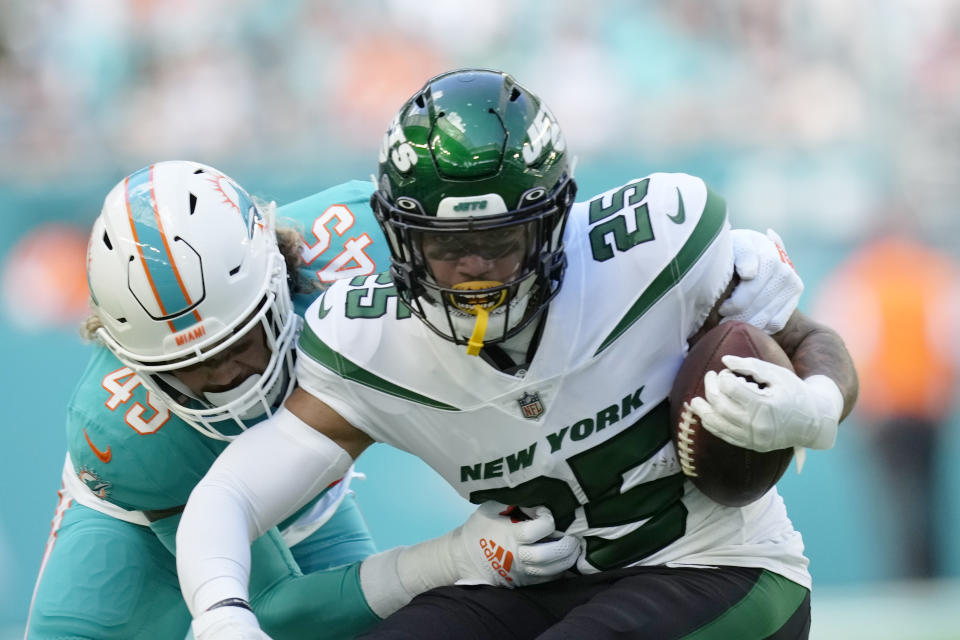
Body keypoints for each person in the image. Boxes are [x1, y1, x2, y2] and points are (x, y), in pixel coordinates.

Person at [176, 69, 858, 639]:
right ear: (401, 239)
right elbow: (230, 495)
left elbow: (810, 341)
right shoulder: (369, 345)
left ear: (554, 222)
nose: (476, 271)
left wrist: (814, 406)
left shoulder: (654, 248)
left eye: (500, 241)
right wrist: (219, 611)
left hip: (715, 567)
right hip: (546, 586)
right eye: (446, 248)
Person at [25, 160, 585, 640]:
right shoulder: (124, 432)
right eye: (190, 366)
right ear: (133, 358)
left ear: (278, 282)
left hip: (300, 492)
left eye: (239, 342)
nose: (227, 379)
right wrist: (455, 557)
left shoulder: (361, 242)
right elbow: (271, 606)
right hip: (138, 523)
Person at [815, 229, 960, 579]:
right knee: (920, 497)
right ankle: (919, 577)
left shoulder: (859, 277)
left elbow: (844, 343)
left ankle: (913, 578)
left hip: (894, 409)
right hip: (917, 405)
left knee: (900, 501)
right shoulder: (933, 273)